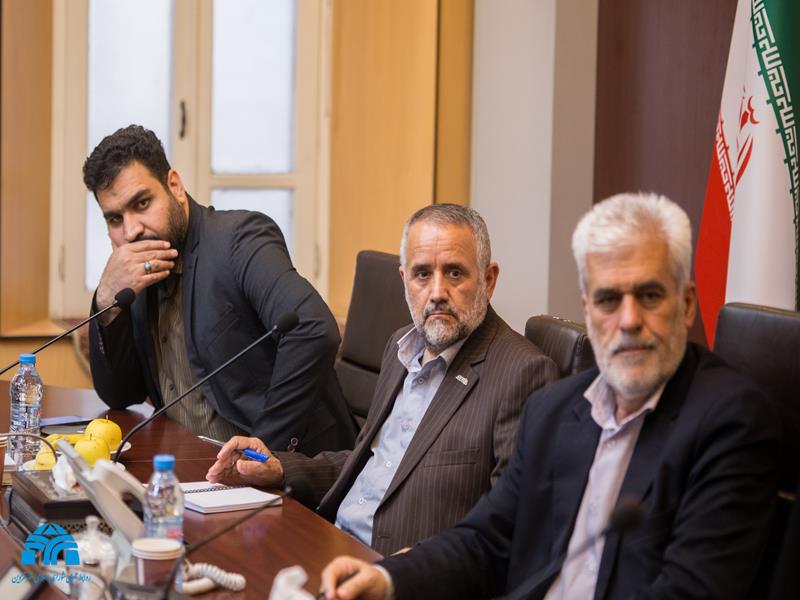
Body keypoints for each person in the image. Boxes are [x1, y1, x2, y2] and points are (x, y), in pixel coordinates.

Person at [319, 192, 780, 600]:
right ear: (587, 309)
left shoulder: (730, 422)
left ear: (686, 305)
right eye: (608, 299)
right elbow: (486, 540)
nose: (628, 321)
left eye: (650, 296)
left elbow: (690, 590)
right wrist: (388, 580)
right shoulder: (556, 410)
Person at [206, 204, 559, 555]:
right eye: (422, 274)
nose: (437, 292)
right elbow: (373, 463)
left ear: (488, 279)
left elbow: (508, 529)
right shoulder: (400, 346)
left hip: (399, 570)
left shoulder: (522, 374)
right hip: (330, 540)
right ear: (404, 280)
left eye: (454, 273)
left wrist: (412, 567)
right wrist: (280, 468)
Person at [85, 125, 356, 456]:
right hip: (189, 464)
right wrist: (107, 300)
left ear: (175, 186)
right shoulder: (136, 273)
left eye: (142, 203)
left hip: (294, 466)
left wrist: (263, 452)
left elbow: (313, 330)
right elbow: (120, 394)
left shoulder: (240, 239)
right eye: (115, 219)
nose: (131, 232)